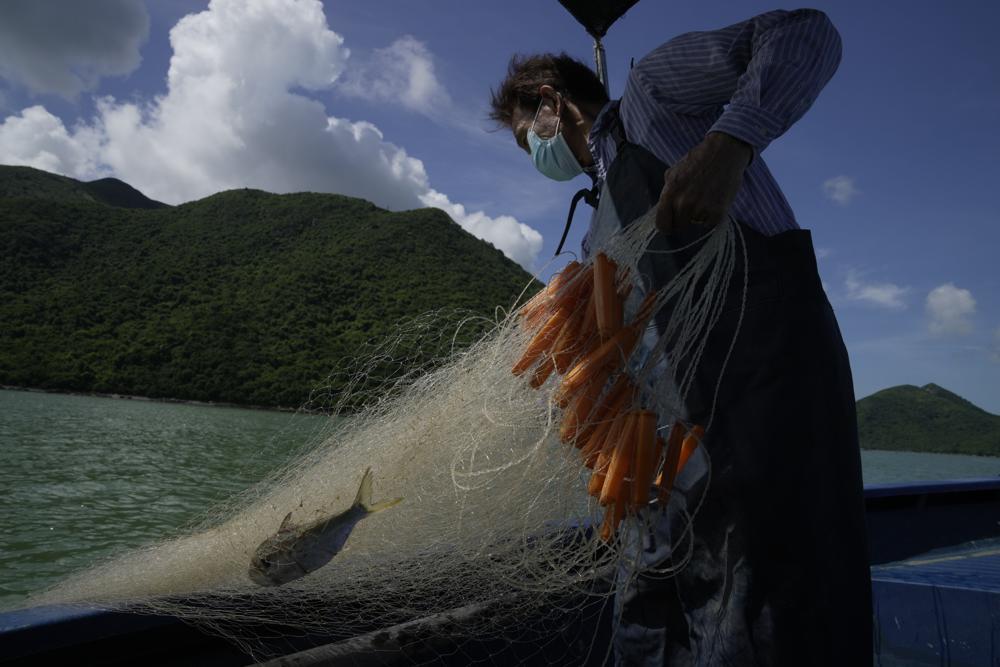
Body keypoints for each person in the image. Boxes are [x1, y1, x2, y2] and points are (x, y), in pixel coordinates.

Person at [489, 8, 872, 666]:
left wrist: (730, 146)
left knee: (784, 616)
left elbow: (807, 34)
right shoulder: (595, 227)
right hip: (673, 472)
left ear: (552, 102)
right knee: (664, 629)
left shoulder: (652, 100)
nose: (536, 158)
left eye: (531, 139)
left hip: (768, 414)